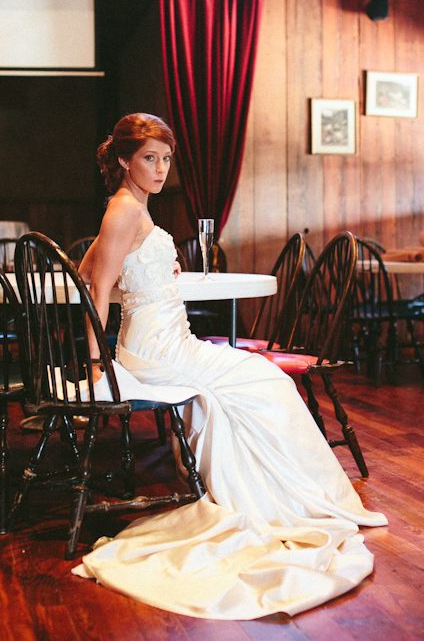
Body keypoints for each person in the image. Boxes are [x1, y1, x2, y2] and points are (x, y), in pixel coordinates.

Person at [73, 113, 387, 620]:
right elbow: (97, 287)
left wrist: (151, 267)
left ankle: (286, 494)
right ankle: (293, 499)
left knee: (256, 380)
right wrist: (94, 361)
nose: (160, 169)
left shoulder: (129, 209)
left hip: (165, 338)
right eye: (149, 159)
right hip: (158, 349)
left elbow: (89, 264)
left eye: (166, 159)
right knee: (264, 379)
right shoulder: (124, 211)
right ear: (125, 160)